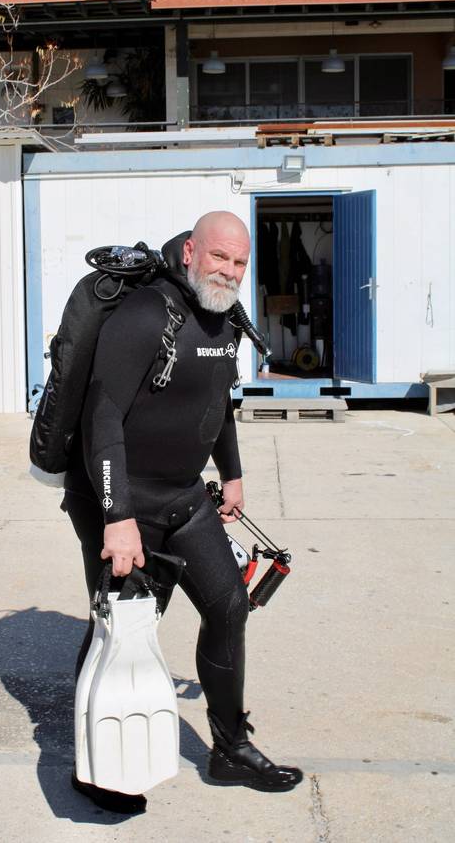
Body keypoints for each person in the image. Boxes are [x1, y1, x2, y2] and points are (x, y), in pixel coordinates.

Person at [63, 211, 303, 813]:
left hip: (184, 495)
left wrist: (233, 473)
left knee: (228, 606)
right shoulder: (146, 314)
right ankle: (97, 769)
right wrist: (117, 516)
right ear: (191, 251)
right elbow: (101, 417)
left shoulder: (226, 319)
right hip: (122, 500)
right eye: (219, 256)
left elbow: (217, 402)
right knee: (119, 630)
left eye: (240, 262)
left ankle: (230, 750)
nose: (229, 271)